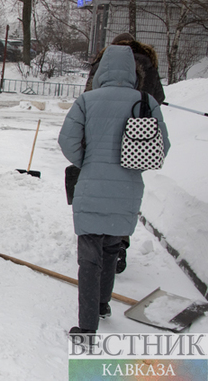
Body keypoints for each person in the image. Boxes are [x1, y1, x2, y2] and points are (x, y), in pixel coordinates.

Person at [58, 45, 170, 335]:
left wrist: (90, 162)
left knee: (89, 259)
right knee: (110, 250)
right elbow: (161, 148)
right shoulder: (146, 101)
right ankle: (102, 305)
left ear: (103, 70)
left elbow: (67, 142)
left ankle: (87, 327)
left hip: (91, 186)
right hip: (128, 190)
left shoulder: (87, 100)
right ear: (132, 71)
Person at [84, 32, 165, 273]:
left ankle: (96, 243)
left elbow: (88, 94)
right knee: (123, 191)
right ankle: (118, 243)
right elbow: (158, 97)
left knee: (99, 188)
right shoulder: (146, 62)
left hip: (101, 135)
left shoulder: (103, 62)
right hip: (136, 139)